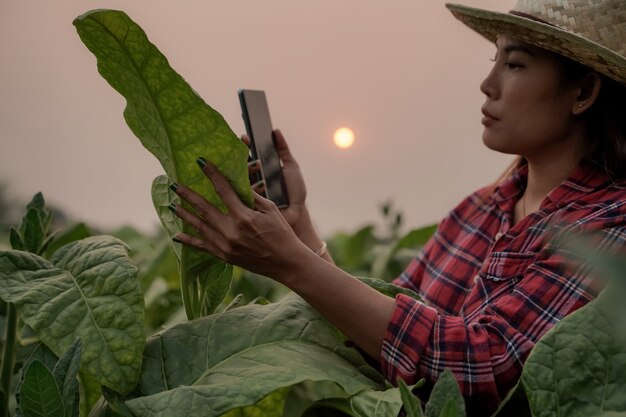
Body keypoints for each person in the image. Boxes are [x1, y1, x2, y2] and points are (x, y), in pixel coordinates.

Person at [167, 0, 626, 415]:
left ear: (584, 91)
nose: (487, 85)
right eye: (494, 62)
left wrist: (290, 263)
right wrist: (299, 228)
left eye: (516, 65)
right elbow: (381, 324)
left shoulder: (608, 228)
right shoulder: (478, 211)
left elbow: (481, 371)